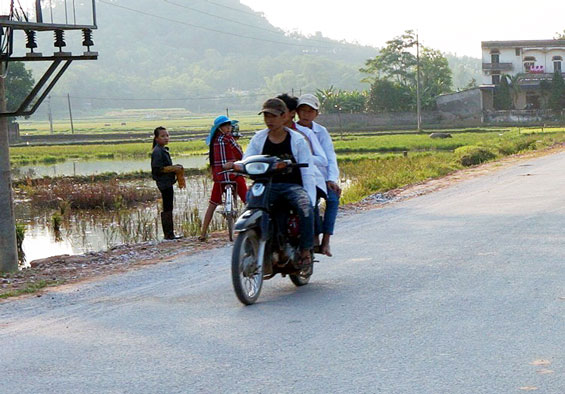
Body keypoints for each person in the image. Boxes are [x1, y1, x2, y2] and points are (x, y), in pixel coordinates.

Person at [242, 98, 316, 266]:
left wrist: (309, 197)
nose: (269, 120)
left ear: (284, 117)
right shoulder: (258, 139)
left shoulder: (297, 140)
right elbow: (247, 159)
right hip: (266, 185)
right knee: (251, 207)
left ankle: (305, 250)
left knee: (305, 207)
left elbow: (307, 172)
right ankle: (253, 246)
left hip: (292, 186)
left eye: (273, 116)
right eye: (266, 116)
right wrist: (237, 165)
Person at [276, 94, 329, 253]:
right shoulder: (264, 135)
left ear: (291, 113)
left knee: (306, 203)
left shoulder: (303, 134)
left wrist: (300, 159)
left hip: (301, 177)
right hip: (275, 179)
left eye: (279, 112)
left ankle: (308, 246)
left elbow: (323, 159)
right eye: (270, 114)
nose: (274, 118)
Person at [296, 94, 341, 257]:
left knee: (333, 198)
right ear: (297, 112)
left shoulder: (320, 131)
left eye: (310, 111)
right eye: (303, 110)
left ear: (316, 114)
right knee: (310, 202)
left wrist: (331, 179)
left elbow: (329, 157)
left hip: (321, 177)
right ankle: (313, 237)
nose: (306, 114)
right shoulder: (293, 130)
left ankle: (326, 241)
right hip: (302, 176)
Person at [199, 115, 247, 241]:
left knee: (213, 204)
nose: (229, 128)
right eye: (226, 125)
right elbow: (240, 155)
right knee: (248, 200)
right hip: (233, 176)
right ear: (220, 128)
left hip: (220, 178)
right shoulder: (228, 139)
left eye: (229, 125)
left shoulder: (214, 141)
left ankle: (203, 233)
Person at [151, 126, 184, 240]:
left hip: (167, 182)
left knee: (168, 206)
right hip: (164, 183)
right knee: (168, 207)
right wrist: (173, 168)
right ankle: (169, 234)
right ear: (156, 138)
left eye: (167, 136)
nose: (166, 138)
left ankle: (169, 233)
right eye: (162, 136)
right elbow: (157, 169)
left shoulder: (162, 149)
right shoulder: (157, 151)